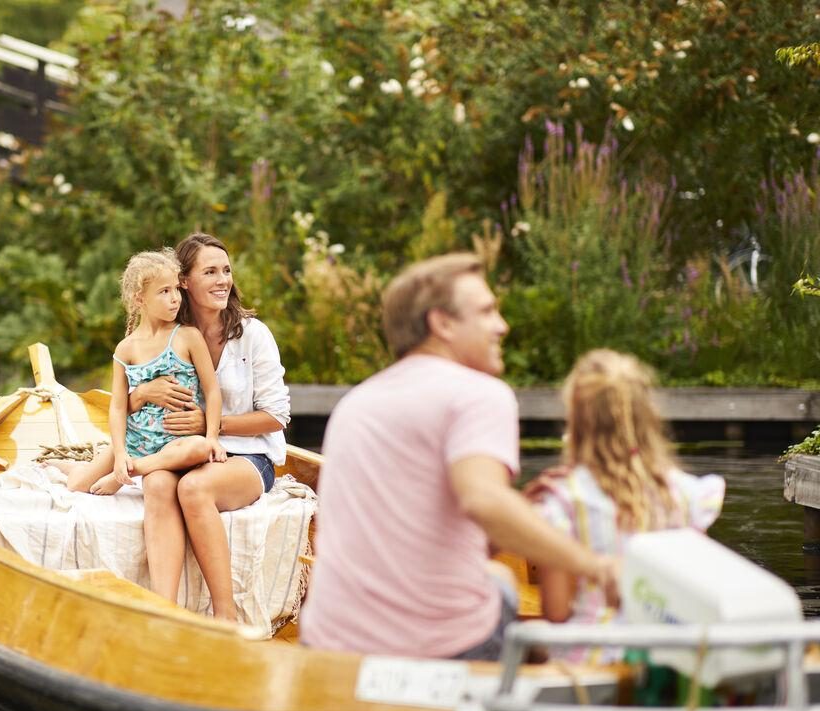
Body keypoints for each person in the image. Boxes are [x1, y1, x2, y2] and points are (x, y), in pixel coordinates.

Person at [299, 252, 618, 660]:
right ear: (442, 323)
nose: (502, 326)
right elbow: (482, 499)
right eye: (486, 312)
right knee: (508, 595)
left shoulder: (356, 403)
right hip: (436, 651)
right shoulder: (478, 393)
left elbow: (427, 533)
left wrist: (515, 510)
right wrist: (596, 567)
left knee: (499, 575)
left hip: (329, 642)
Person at [127, 233, 291, 621]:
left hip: (248, 457)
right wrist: (144, 392)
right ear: (184, 281)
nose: (223, 280)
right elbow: (127, 403)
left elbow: (276, 416)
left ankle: (225, 613)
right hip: (184, 451)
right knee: (157, 483)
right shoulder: (168, 333)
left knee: (194, 487)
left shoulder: (252, 335)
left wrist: (211, 422)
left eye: (227, 271)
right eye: (210, 271)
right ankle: (163, 610)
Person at [529, 349, 724, 663]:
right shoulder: (688, 493)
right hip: (666, 659)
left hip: (591, 661)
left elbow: (557, 612)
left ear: (576, 421)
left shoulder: (563, 500)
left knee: (531, 638)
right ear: (647, 416)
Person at [63, 248, 226, 495]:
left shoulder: (187, 337)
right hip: (134, 438)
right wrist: (119, 454)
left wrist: (213, 436)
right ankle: (68, 465)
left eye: (176, 289)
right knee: (77, 485)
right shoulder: (126, 348)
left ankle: (130, 471)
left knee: (201, 448)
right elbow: (118, 407)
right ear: (140, 299)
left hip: (176, 442)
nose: (175, 298)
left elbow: (212, 391)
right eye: (164, 291)